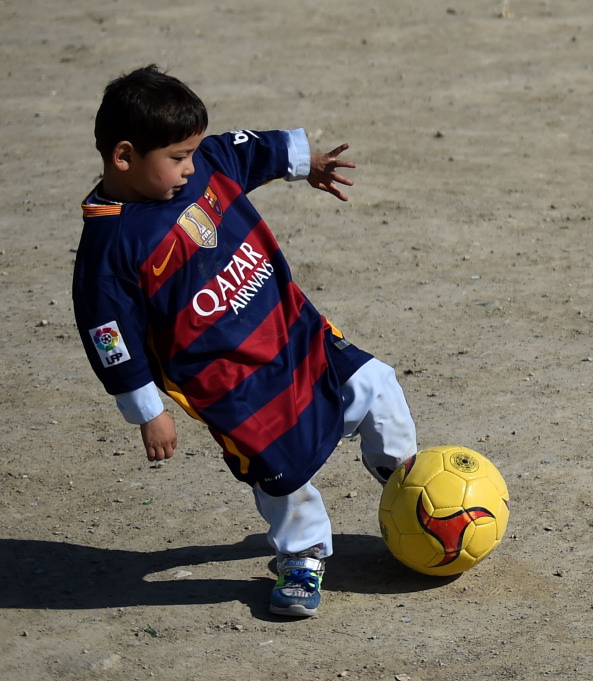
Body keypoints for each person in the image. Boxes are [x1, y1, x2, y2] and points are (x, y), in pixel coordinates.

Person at [72, 64, 418, 617]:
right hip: (233, 383)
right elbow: (108, 334)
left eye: (192, 152)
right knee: (280, 474)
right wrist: (147, 410)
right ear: (124, 156)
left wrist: (305, 164)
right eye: (178, 157)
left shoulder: (204, 164)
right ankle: (302, 555)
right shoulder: (110, 248)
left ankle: (411, 484)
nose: (194, 163)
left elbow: (248, 148)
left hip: (295, 331)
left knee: (376, 383)